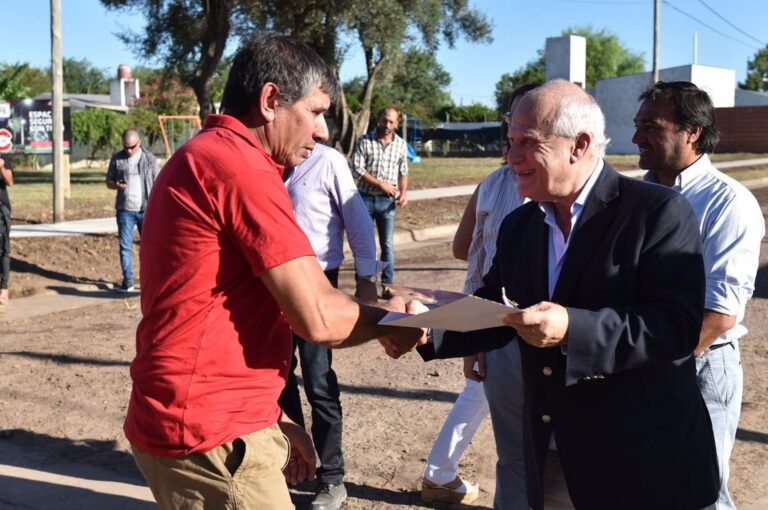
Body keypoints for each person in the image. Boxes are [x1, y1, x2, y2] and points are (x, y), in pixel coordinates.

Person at [123, 34, 424, 510]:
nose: (322, 131)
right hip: (211, 431)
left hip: (209, 418)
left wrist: (273, 418)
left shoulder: (207, 155)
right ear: (270, 101)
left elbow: (218, 308)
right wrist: (392, 321)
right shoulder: (240, 167)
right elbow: (318, 318)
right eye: (316, 111)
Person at [417, 79, 720, 510]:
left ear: (579, 145)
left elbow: (676, 327)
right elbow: (496, 309)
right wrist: (425, 325)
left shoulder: (657, 212)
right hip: (557, 451)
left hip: (644, 461)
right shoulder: (520, 226)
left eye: (527, 142)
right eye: (510, 141)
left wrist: (572, 328)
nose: (512, 156)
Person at [633, 81, 765, 510]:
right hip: (641, 359)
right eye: (637, 125)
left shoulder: (727, 203)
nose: (637, 138)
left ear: (692, 131)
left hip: (697, 365)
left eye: (651, 127)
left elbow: (720, 313)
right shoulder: (635, 196)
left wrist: (652, 367)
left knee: (700, 493)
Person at [421, 84, 537, 509]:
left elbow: (463, 249)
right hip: (508, 321)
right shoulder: (519, 186)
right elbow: (469, 253)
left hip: (498, 318)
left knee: (480, 395)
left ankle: (439, 473)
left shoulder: (491, 183)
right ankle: (439, 474)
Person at [278, 143, 379, 510]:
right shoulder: (268, 161)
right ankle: (291, 463)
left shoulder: (328, 161)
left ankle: (332, 477)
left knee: (318, 381)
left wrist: (366, 278)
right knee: (277, 378)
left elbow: (357, 221)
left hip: (318, 281)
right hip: (273, 282)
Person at [352, 107, 409, 292]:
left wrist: (404, 193)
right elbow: (357, 169)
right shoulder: (364, 141)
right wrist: (380, 184)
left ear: (397, 123)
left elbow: (403, 171)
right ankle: (364, 285)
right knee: (365, 245)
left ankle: (387, 285)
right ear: (379, 119)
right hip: (365, 200)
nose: (387, 125)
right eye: (385, 120)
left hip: (387, 202)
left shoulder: (401, 145)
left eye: (391, 122)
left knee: (387, 245)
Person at [106, 129, 160, 292]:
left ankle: (150, 281)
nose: (128, 150)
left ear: (139, 143)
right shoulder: (117, 158)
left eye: (132, 147)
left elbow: (158, 182)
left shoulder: (150, 159)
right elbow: (108, 181)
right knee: (125, 247)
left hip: (146, 210)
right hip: (125, 210)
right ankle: (128, 281)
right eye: (126, 147)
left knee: (149, 248)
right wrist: (116, 185)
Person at [0, 154, 14, 308]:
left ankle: (3, 288)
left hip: (1, 210)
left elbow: (10, 182)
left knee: (3, 250)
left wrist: (2, 168)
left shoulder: (3, 159)